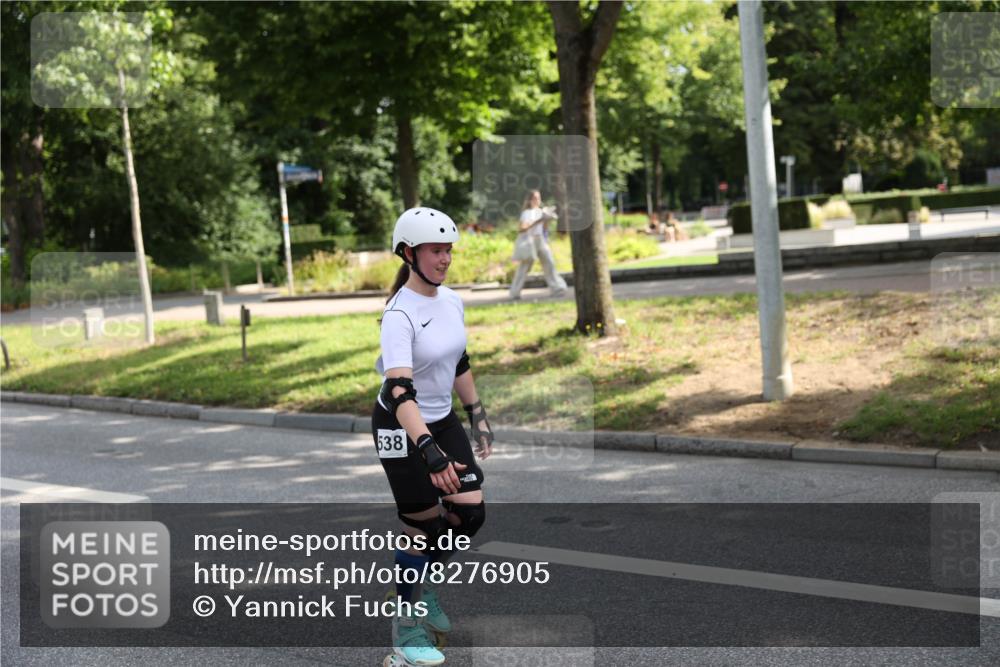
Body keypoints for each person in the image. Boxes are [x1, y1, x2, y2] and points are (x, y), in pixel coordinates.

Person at [373, 206, 494, 667]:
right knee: (422, 527)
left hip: (441, 419)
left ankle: (418, 587)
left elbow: (458, 360)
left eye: (448, 250)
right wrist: (430, 451)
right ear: (409, 254)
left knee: (469, 513)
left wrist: (476, 413)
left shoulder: (451, 301)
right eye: (436, 251)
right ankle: (405, 632)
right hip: (401, 426)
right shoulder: (398, 314)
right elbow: (399, 391)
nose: (445, 259)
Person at [508, 190, 568, 300]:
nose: (537, 200)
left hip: (541, 240)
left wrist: (546, 220)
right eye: (535, 198)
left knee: (549, 263)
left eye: (539, 198)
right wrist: (538, 221)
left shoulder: (541, 211)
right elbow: (522, 228)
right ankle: (514, 292)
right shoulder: (526, 213)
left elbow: (543, 229)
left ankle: (557, 288)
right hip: (530, 241)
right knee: (524, 267)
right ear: (530, 200)